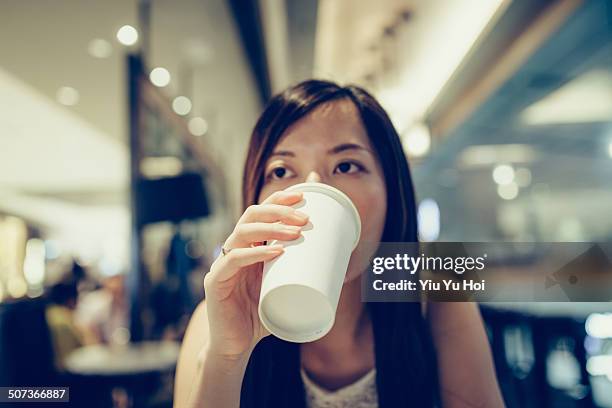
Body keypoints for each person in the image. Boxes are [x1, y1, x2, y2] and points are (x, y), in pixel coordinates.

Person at [174, 80, 504, 407]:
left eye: (346, 166)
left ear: (391, 191)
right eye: (281, 170)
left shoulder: (435, 302)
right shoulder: (219, 319)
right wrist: (228, 358)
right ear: (255, 198)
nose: (312, 186)